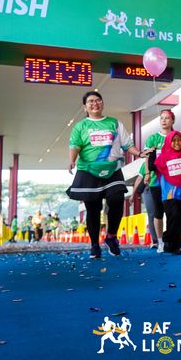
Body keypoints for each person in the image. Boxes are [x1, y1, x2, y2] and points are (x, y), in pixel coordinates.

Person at [66, 91, 145, 259]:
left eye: (98, 100)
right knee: (93, 209)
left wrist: (139, 153)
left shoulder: (114, 123)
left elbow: (127, 145)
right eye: (90, 101)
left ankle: (111, 236)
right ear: (85, 107)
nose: (94, 103)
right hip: (88, 170)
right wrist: (72, 160)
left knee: (117, 200)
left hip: (113, 169)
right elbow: (75, 145)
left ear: (102, 103)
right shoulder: (80, 126)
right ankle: (94, 245)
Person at [143, 109, 176, 250]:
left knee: (172, 211)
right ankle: (160, 241)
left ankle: (173, 240)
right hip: (156, 180)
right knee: (158, 211)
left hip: (172, 182)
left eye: (167, 118)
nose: (164, 120)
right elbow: (147, 157)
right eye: (162, 118)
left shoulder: (177, 137)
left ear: (172, 121)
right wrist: (147, 173)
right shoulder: (153, 138)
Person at [133, 162, 159, 248]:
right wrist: (133, 194)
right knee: (151, 215)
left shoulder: (163, 158)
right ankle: (155, 241)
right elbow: (139, 179)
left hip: (162, 188)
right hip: (148, 189)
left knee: (162, 213)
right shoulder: (145, 164)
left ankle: (164, 239)